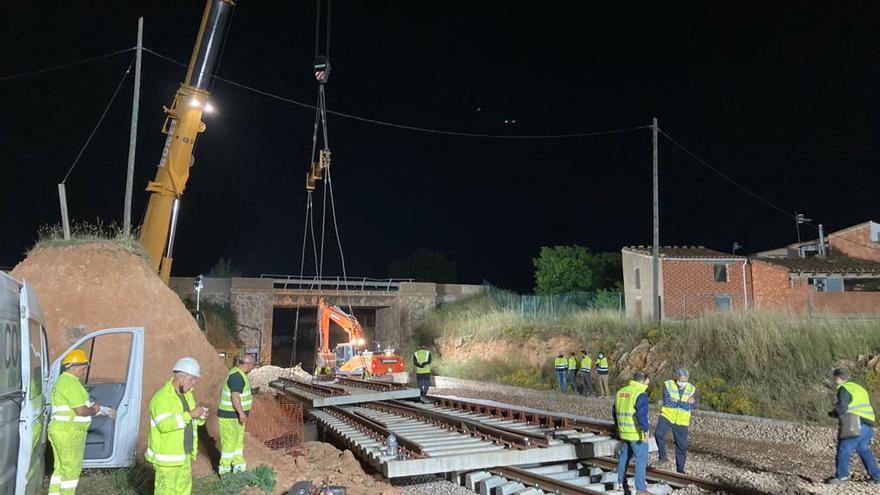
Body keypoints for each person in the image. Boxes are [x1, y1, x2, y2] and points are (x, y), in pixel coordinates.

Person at [48, 349, 116, 495]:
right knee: (71, 471)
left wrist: (101, 409)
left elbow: (78, 405)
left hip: (60, 430)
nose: (84, 372)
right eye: (84, 368)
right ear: (74, 366)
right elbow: (81, 411)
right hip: (70, 433)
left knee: (60, 469)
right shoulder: (71, 383)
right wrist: (96, 409)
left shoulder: (63, 381)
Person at [146, 357, 208, 495]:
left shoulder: (187, 396)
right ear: (181, 377)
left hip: (183, 455)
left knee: (184, 491)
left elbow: (190, 420)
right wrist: (190, 415)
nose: (194, 383)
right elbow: (164, 425)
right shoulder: (162, 398)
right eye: (192, 379)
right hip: (167, 459)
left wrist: (200, 418)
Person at [826, 368, 880, 485]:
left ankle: (842, 477)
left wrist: (834, 413)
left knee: (844, 449)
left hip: (854, 421)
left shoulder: (844, 389)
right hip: (868, 423)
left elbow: (842, 407)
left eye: (835, 377)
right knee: (863, 449)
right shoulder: (859, 388)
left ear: (838, 378)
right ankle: (877, 477)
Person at [613, 372, 651, 495]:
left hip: (624, 432)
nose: (647, 385)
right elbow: (641, 416)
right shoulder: (640, 394)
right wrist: (645, 431)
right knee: (641, 459)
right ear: (642, 381)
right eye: (647, 383)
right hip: (636, 434)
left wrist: (618, 427)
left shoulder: (621, 392)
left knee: (624, 457)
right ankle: (640, 489)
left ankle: (620, 483)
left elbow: (614, 411)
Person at [218, 354, 256, 475]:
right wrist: (241, 413)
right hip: (230, 416)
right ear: (248, 364)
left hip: (234, 417)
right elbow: (235, 396)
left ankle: (238, 467)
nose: (253, 368)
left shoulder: (239, 375)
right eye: (252, 365)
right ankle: (225, 471)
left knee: (237, 442)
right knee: (229, 442)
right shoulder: (236, 376)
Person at [654, 368, 696, 473]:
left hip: (682, 421)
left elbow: (690, 407)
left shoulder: (691, 389)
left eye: (685, 380)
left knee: (682, 446)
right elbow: (668, 403)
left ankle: (680, 470)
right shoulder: (668, 385)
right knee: (658, 434)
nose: (683, 383)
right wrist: (684, 402)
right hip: (667, 416)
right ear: (677, 377)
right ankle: (662, 457)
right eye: (681, 380)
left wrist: (677, 401)